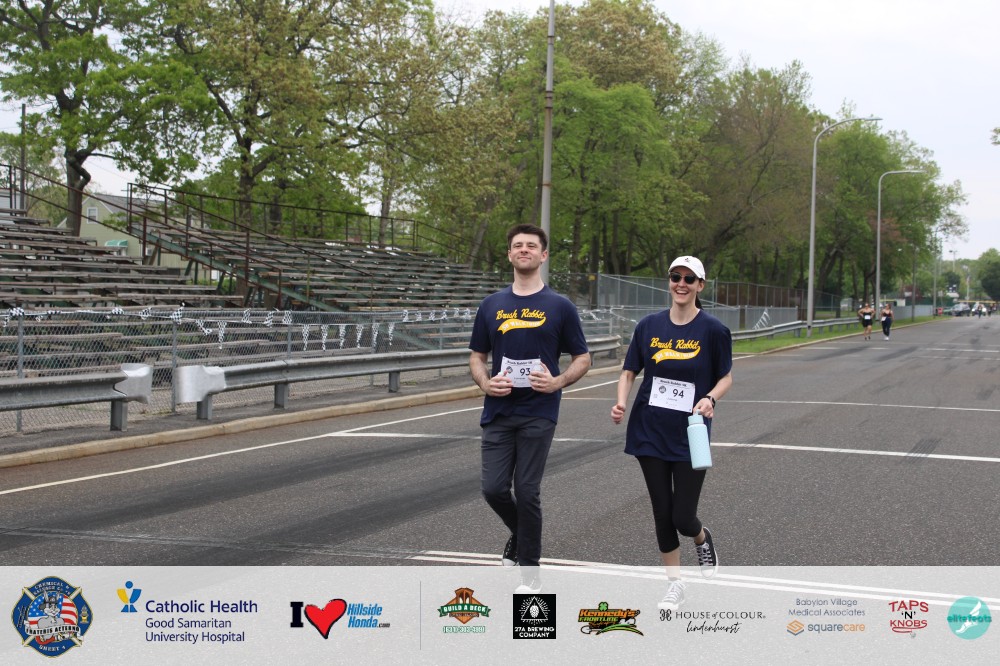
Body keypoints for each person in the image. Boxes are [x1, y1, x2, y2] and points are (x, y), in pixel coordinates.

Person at [469, 223, 591, 594]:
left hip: (540, 410)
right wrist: (485, 383)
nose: (524, 250)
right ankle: (521, 535)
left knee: (526, 490)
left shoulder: (560, 306)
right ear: (509, 254)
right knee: (493, 489)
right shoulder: (491, 305)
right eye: (518, 245)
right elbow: (477, 357)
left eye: (531, 245)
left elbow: (583, 357)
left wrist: (558, 381)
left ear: (544, 254)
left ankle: (530, 577)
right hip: (498, 411)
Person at [610, 255, 732, 611]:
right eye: (676, 277)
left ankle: (701, 537)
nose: (681, 284)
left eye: (689, 279)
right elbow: (629, 371)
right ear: (669, 281)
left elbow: (726, 376)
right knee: (662, 513)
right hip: (649, 430)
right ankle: (675, 584)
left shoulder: (713, 330)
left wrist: (710, 398)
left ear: (700, 286)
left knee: (682, 517)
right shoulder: (648, 326)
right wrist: (621, 402)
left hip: (690, 434)